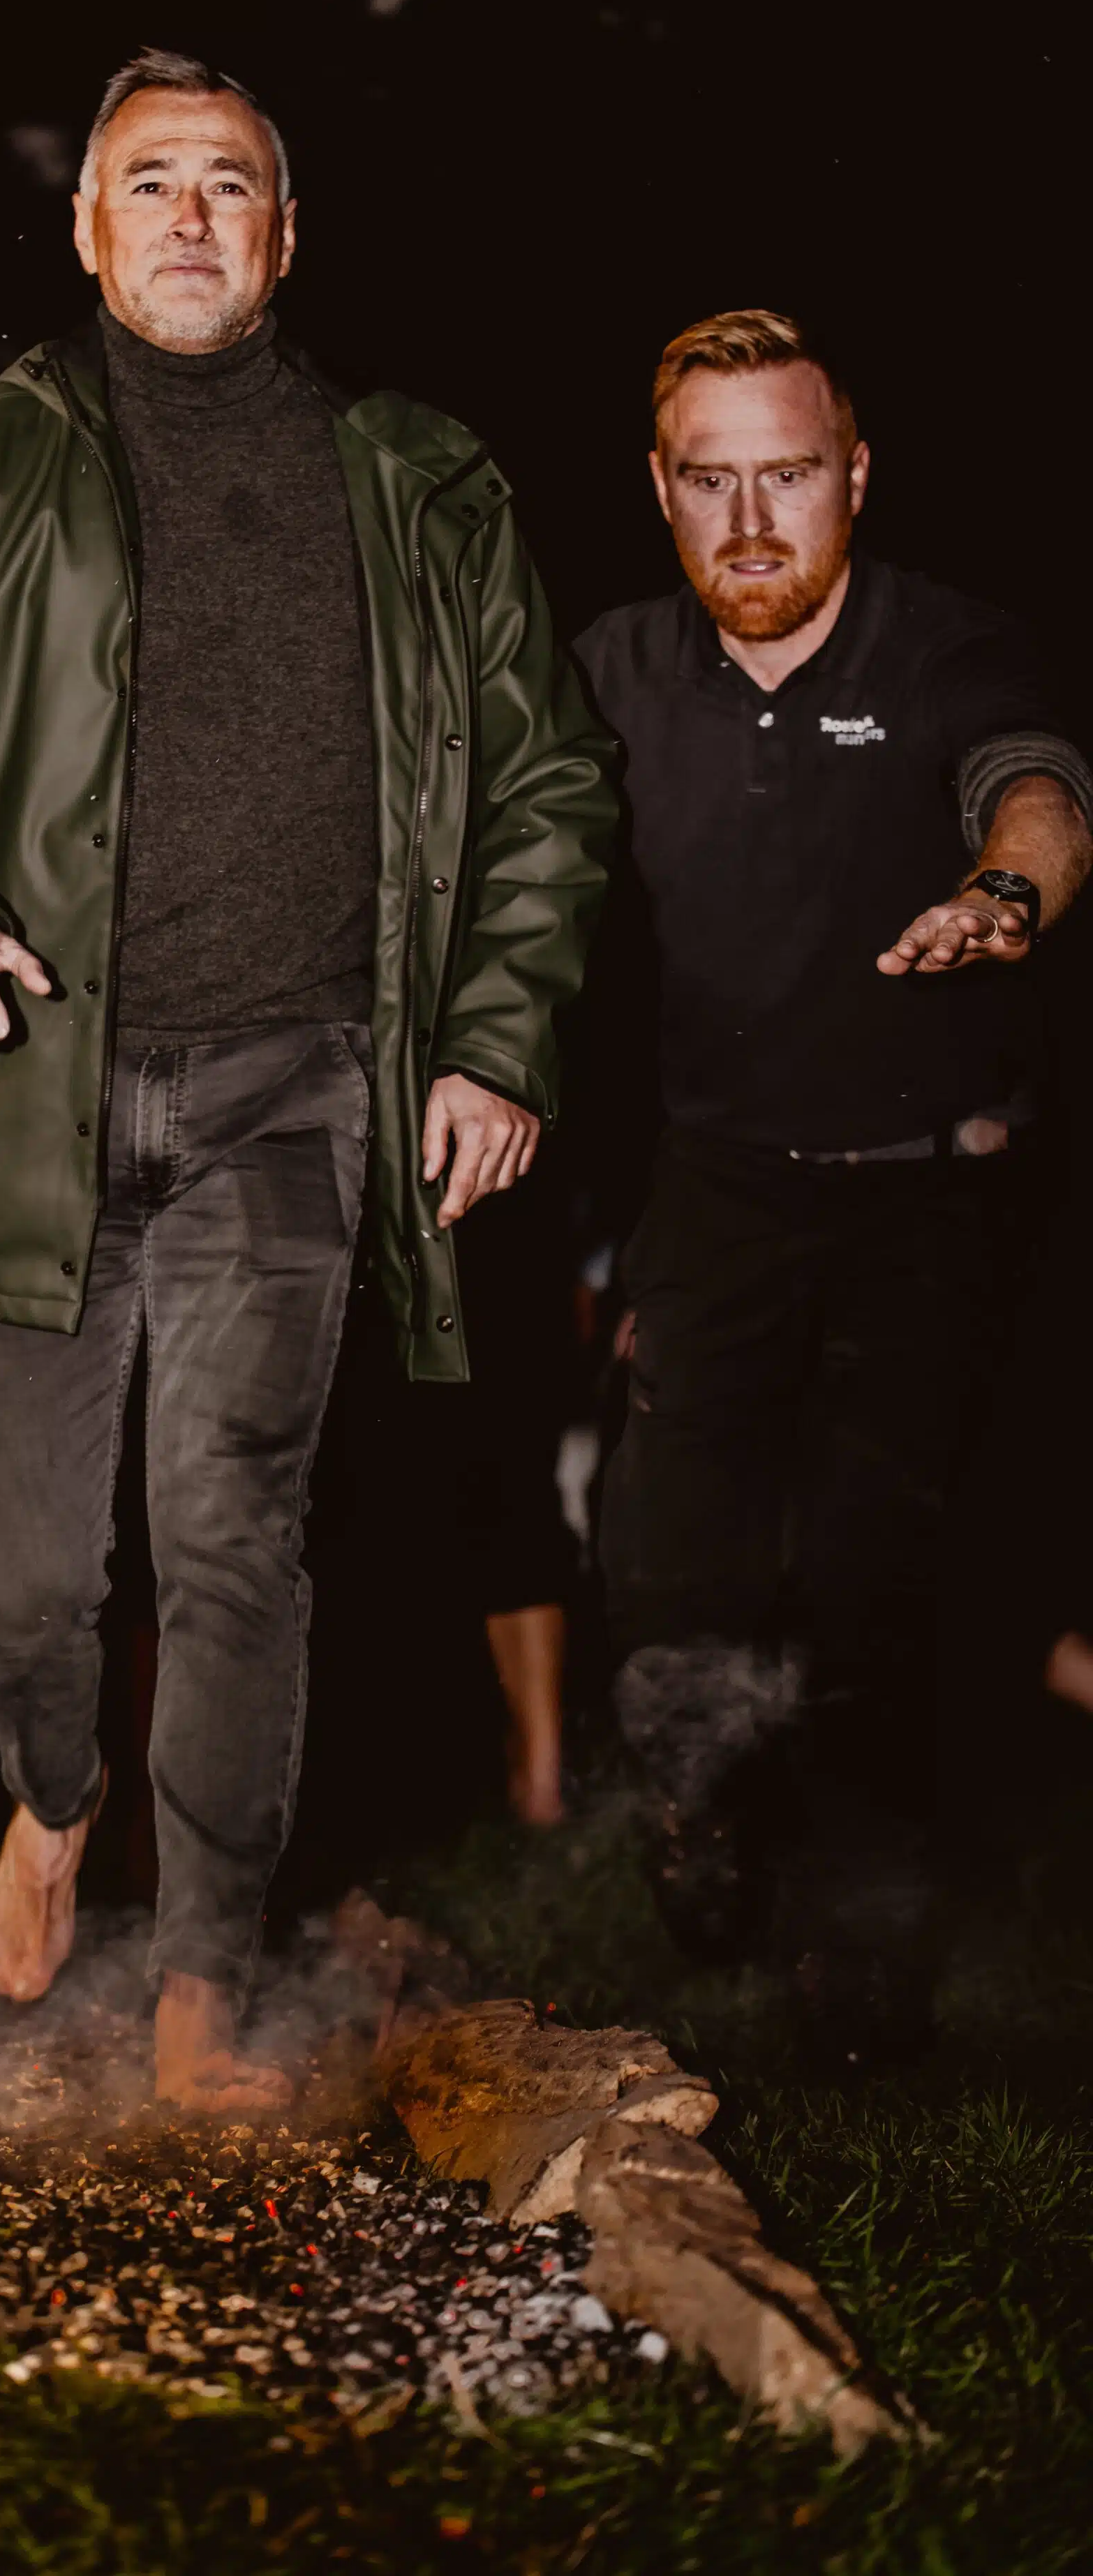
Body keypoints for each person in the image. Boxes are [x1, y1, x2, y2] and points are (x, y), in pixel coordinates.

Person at [0, 49, 615, 2110]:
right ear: (85, 227)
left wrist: (493, 1035)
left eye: (226, 184)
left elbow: (548, 780)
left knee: (235, 1539)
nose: (185, 217)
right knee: (30, 1582)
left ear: (285, 233)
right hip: (30, 1092)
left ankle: (204, 1982)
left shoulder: (416, 476)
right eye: (145, 182)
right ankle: (51, 1794)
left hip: (292, 1091)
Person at [579, 310, 1092, 2042]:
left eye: (785, 475)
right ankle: (702, 1815)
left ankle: (862, 1957)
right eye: (707, 480)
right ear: (658, 488)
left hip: (930, 1198)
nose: (747, 522)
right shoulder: (608, 671)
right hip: (715, 1180)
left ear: (852, 476)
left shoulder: (942, 643)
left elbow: (1036, 784)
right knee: (664, 1569)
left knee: (874, 1583)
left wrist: (1003, 892)